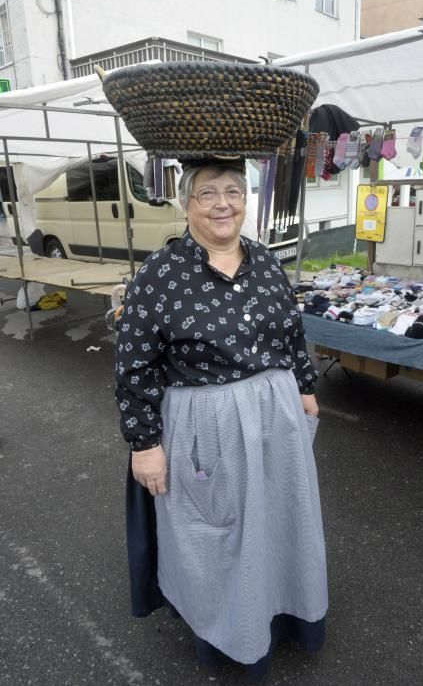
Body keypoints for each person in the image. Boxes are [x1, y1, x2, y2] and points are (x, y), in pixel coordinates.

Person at [115, 159, 328, 680]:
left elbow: (289, 330)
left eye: (233, 192)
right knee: (217, 534)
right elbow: (133, 362)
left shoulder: (265, 262)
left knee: (280, 519)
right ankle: (227, 632)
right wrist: (144, 444)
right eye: (207, 193)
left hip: (274, 415)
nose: (222, 204)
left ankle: (283, 615)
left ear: (246, 200)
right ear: (185, 203)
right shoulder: (159, 275)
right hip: (204, 423)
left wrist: (304, 386)